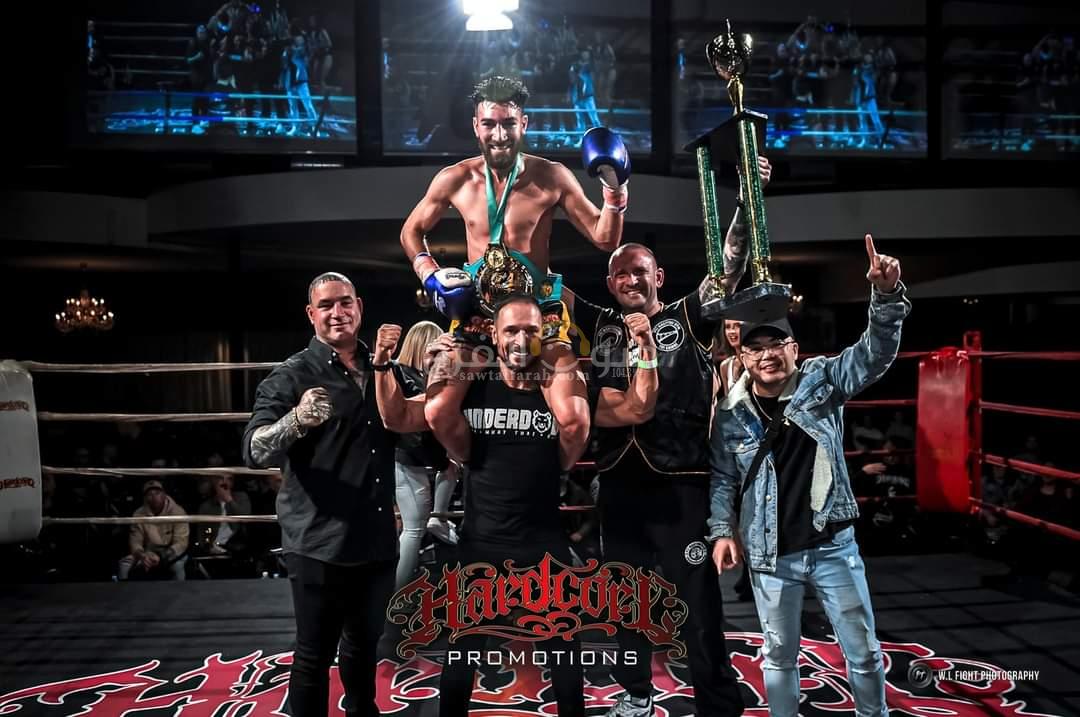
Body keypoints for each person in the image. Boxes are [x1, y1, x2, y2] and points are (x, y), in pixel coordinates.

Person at [373, 295, 658, 717]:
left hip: (543, 545)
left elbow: (637, 407)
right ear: (494, 334)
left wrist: (647, 353)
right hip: (480, 544)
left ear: (544, 334)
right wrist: (382, 364)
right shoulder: (471, 387)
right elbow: (396, 417)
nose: (521, 340)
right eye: (511, 330)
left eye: (530, 330)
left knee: (565, 659)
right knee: (460, 660)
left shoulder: (560, 390)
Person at [572, 156, 770, 717]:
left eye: (641, 271)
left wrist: (747, 198)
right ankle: (636, 695)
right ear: (610, 283)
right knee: (625, 600)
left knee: (699, 602)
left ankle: (718, 704)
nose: (631, 280)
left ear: (658, 277)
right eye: (621, 274)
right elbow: (537, 288)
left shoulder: (687, 317)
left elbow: (728, 266)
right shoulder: (599, 324)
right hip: (619, 485)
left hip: (682, 484)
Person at [708, 235, 909, 717]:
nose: (767, 355)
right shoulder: (731, 413)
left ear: (793, 348)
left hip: (832, 545)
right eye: (756, 348)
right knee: (778, 655)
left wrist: (885, 296)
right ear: (744, 357)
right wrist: (721, 531)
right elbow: (722, 478)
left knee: (863, 651)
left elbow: (873, 355)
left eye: (776, 344)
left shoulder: (823, 379)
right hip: (770, 553)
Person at [400, 75, 630, 476]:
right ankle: (481, 474)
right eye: (490, 124)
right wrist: (430, 275)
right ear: (476, 125)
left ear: (524, 123)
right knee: (438, 410)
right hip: (476, 316)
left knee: (575, 420)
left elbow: (605, 238)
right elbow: (411, 231)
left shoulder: (552, 176)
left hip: (540, 318)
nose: (499, 134)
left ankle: (548, 479)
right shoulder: (456, 178)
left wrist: (614, 191)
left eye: (508, 123)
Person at [242, 272, 397, 717]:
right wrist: (295, 420)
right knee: (314, 652)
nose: (337, 312)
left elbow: (414, 431)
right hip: (317, 539)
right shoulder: (291, 375)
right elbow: (253, 451)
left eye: (345, 302)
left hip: (375, 536)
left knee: (364, 644)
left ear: (359, 307)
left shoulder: (383, 368)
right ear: (311, 314)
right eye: (326, 305)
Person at [390, 320, 460, 590]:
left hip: (415, 454)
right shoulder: (402, 373)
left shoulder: (410, 374)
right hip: (407, 456)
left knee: (451, 468)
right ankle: (398, 593)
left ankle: (438, 517)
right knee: (412, 531)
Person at [117, 480, 189, 581]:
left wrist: (162, 555)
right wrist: (142, 555)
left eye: (157, 493)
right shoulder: (138, 514)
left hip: (172, 552)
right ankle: (124, 590)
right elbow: (135, 541)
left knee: (177, 566)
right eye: (150, 494)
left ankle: (180, 590)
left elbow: (181, 542)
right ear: (145, 498)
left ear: (164, 494)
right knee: (124, 564)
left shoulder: (178, 512)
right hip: (148, 552)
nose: (154, 497)